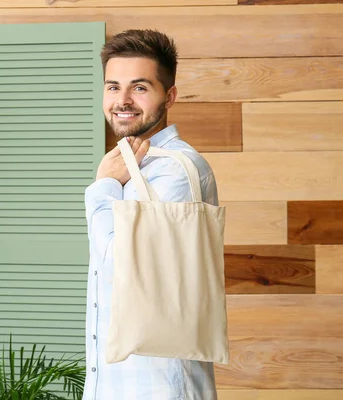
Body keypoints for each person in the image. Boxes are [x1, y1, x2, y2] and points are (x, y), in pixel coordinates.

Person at [83, 29, 220, 400]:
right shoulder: (127, 166)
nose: (122, 100)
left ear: (169, 96)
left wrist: (102, 188)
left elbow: (122, 265)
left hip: (159, 387)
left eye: (139, 88)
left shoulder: (176, 169)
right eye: (113, 87)